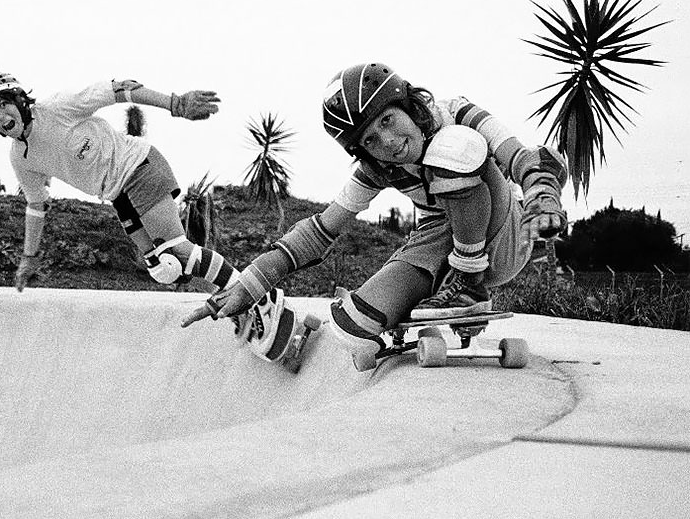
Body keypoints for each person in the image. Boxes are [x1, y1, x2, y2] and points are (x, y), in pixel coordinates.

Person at [183, 62, 568, 368]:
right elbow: (321, 230)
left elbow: (522, 156)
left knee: (454, 150)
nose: (389, 143)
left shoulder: (456, 113)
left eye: (387, 120)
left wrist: (543, 197)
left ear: (407, 104)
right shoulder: (375, 168)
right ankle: (442, 290)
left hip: (503, 232)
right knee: (352, 325)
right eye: (370, 140)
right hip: (438, 242)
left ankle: (469, 282)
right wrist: (250, 283)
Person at [0, 71, 242, 296]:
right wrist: (29, 257)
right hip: (118, 195)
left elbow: (120, 89)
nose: (0, 117)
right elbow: (36, 205)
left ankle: (246, 293)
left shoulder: (57, 108)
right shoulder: (21, 158)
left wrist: (175, 104)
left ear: (19, 100)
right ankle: (224, 297)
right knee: (165, 268)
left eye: (3, 105)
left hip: (139, 167)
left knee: (175, 251)